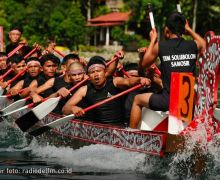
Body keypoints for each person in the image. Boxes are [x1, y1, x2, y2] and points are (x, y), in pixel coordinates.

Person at [130, 12, 206, 128]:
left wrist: (153, 40)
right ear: (183, 29)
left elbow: (144, 63)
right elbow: (205, 45)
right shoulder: (193, 45)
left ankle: (132, 135)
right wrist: (189, 30)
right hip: (188, 101)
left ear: (167, 30)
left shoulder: (160, 46)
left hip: (169, 101)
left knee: (137, 99)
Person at [62, 56, 151, 126]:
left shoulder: (115, 82)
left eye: (98, 71)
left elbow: (128, 82)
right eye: (92, 72)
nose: (96, 75)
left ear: (105, 72)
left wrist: (140, 79)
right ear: (88, 76)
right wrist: (73, 108)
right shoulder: (84, 90)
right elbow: (65, 109)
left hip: (120, 127)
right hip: (97, 129)